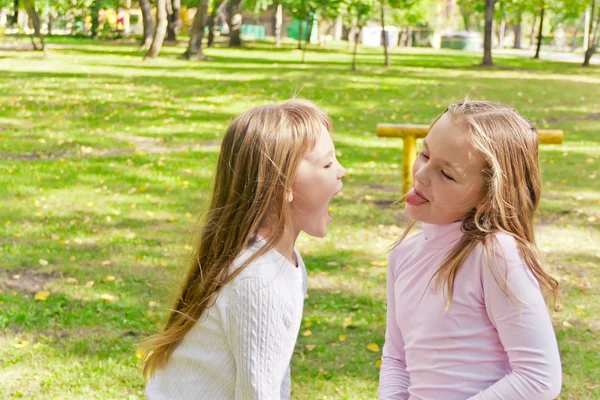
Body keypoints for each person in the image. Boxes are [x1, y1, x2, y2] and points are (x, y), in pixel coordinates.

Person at [143, 99, 346, 399]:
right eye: (328, 163)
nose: (342, 171)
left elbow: (274, 377)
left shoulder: (283, 262)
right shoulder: (260, 280)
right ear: (282, 186)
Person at [379, 100, 562, 399]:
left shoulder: (494, 254)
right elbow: (396, 358)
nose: (423, 174)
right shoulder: (402, 256)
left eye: (447, 174)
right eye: (425, 153)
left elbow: (538, 377)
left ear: (488, 196)